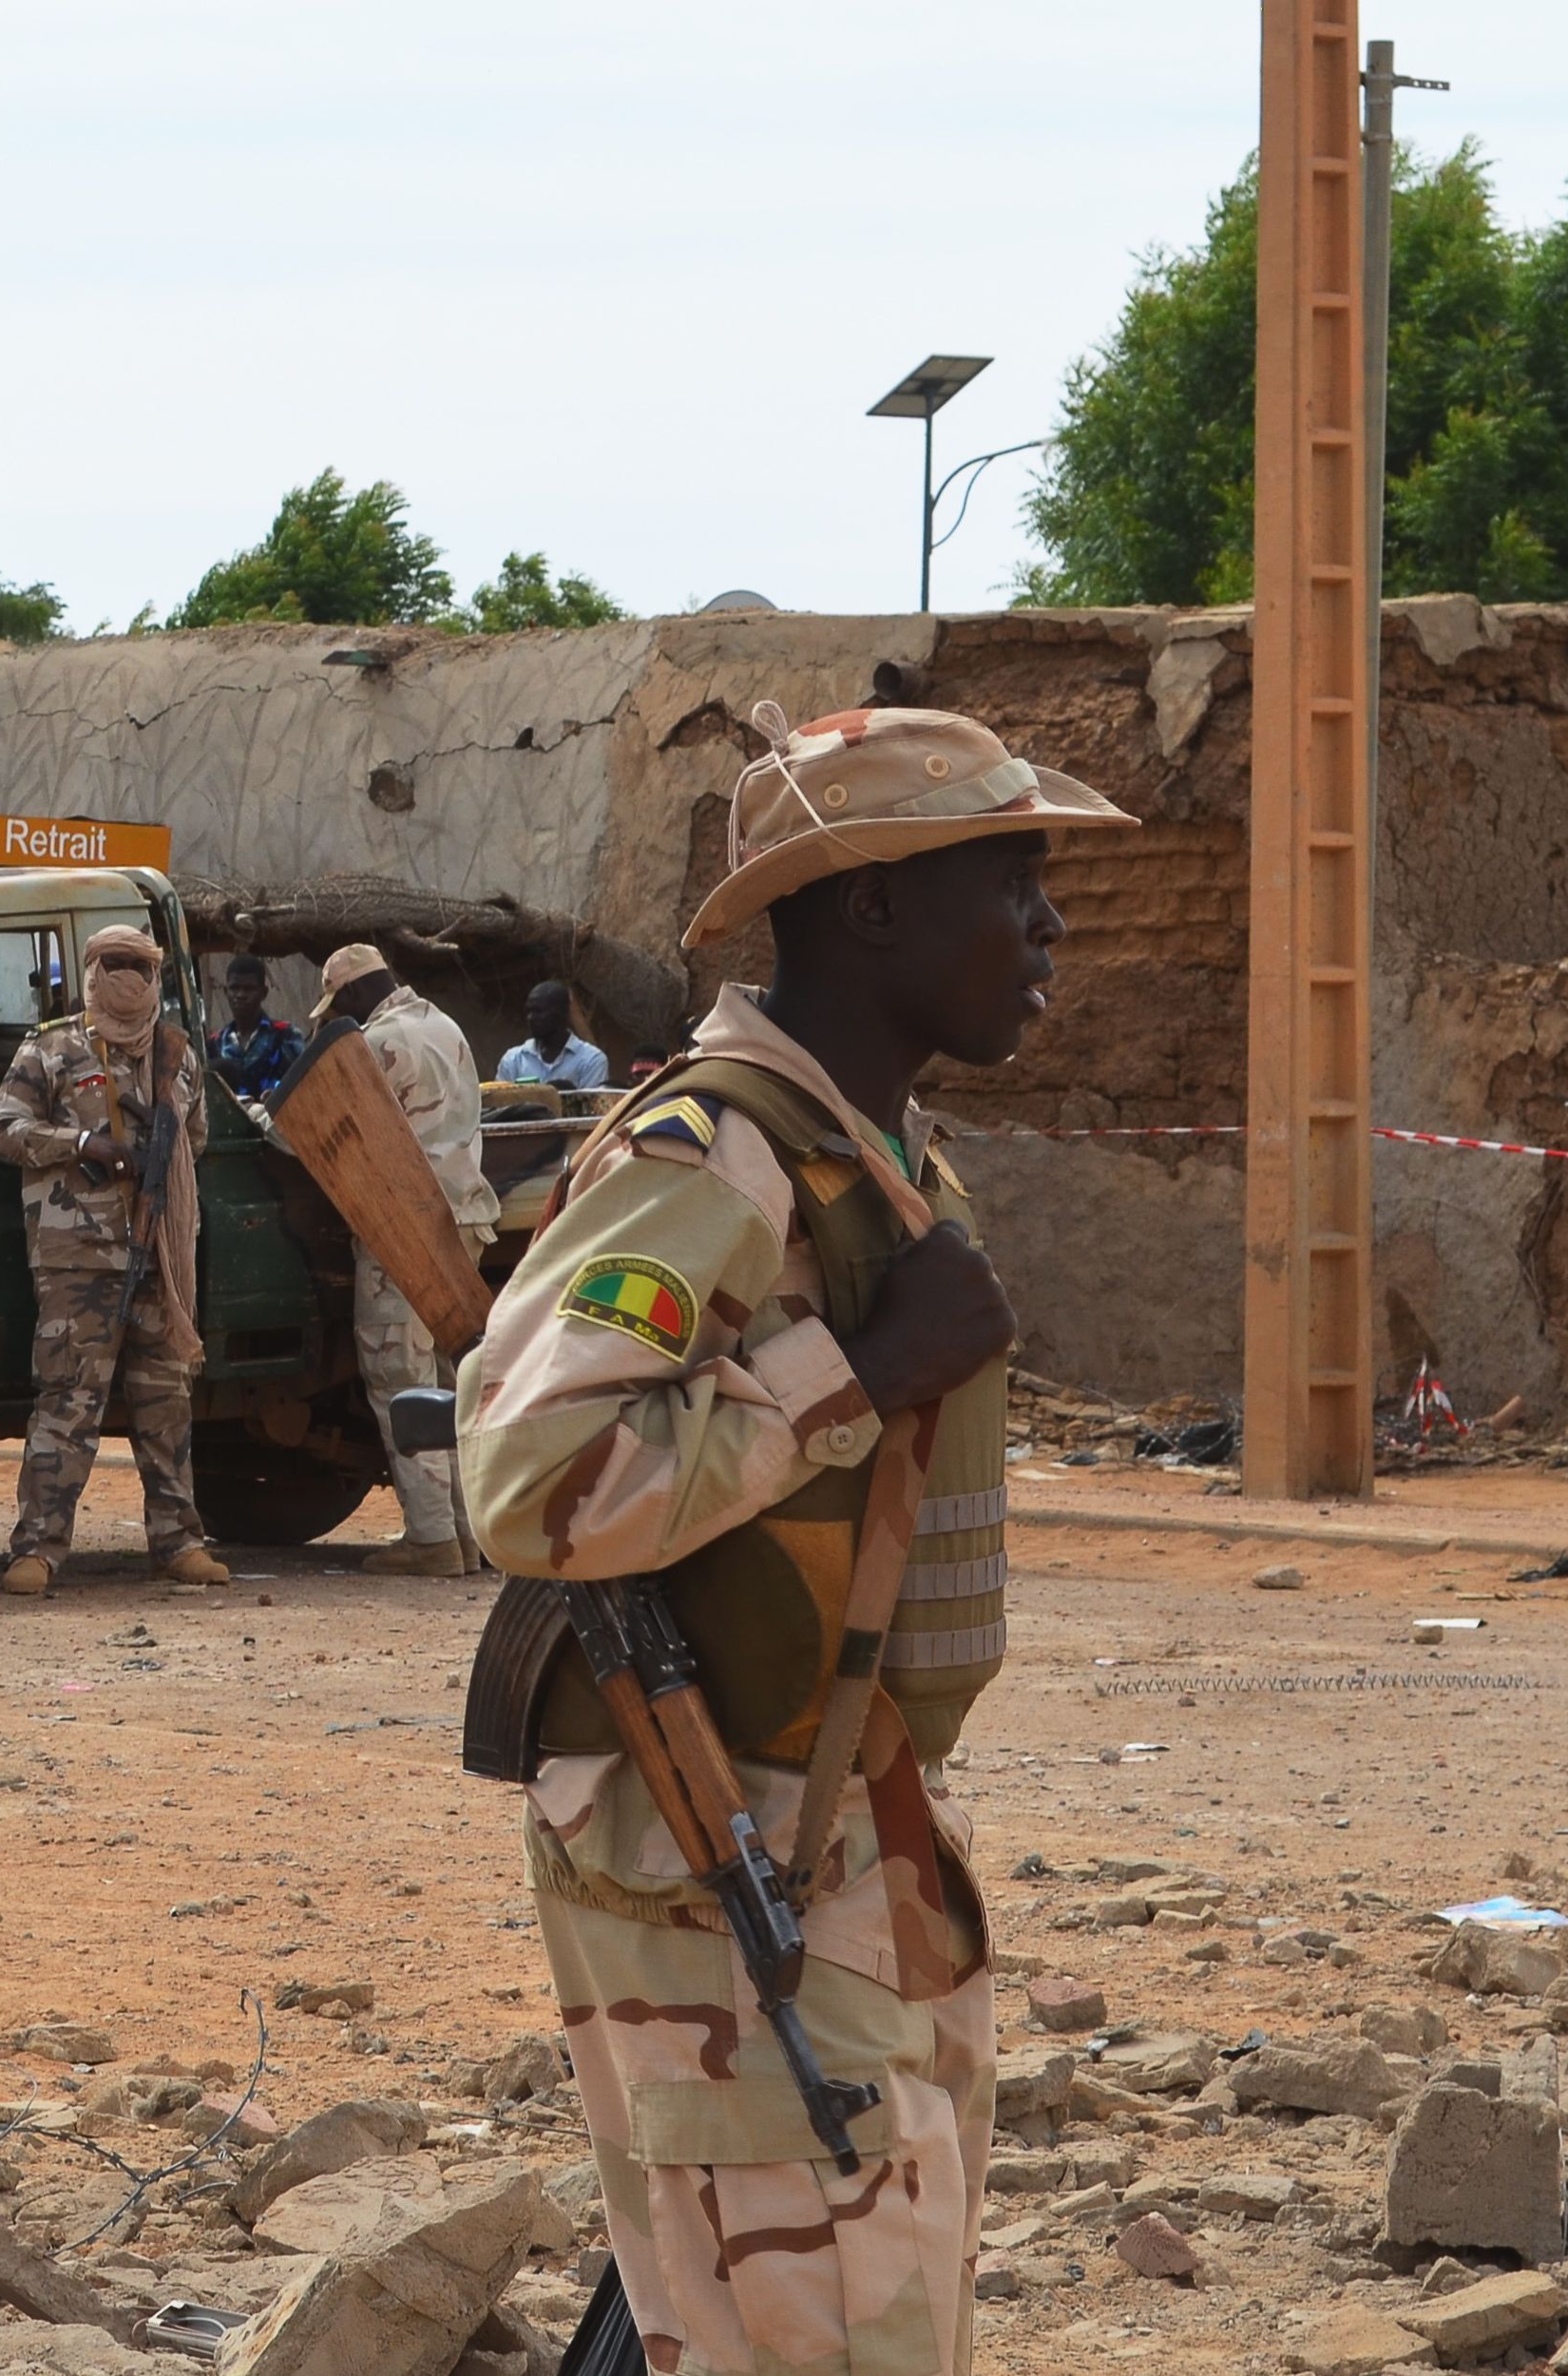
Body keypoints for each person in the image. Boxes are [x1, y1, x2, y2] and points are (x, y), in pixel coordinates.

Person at [458, 701, 1134, 2376]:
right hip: (721, 1844)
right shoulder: (719, 1156)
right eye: (1011, 876)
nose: (1050, 922)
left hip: (850, 1828)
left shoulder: (877, 1162)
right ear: (874, 906)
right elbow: (533, 1481)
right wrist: (860, 1369)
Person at [0, 924, 230, 1598]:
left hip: (161, 1260)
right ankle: (38, 1548)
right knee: (68, 1404)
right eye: (114, 964)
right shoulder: (54, 1047)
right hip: (77, 1259)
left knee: (166, 1405)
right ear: (89, 972)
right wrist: (83, 1143)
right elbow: (3, 1131)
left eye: (140, 966)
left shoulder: (175, 1052)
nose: (128, 977)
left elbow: (195, 1138)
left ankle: (179, 1542)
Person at [315, 943, 504, 1574]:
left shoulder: (376, 1044)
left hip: (405, 1227)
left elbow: (333, 1128)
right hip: (465, 1219)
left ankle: (430, 1540)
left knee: (400, 1379)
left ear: (350, 996)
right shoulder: (444, 1026)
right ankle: (465, 1535)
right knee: (449, 1383)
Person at [208, 954, 302, 1103]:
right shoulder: (215, 1042)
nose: (240, 995)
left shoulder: (285, 1034)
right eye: (234, 988)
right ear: (226, 992)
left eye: (249, 989)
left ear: (263, 993)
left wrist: (276, 1093)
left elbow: (301, 1082)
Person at [494, 978, 610, 1092]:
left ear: (562, 1013)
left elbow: (593, 1109)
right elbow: (500, 1106)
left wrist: (565, 1097)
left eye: (538, 1012)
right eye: (529, 1011)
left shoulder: (591, 1060)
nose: (531, 1018)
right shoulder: (514, 1060)